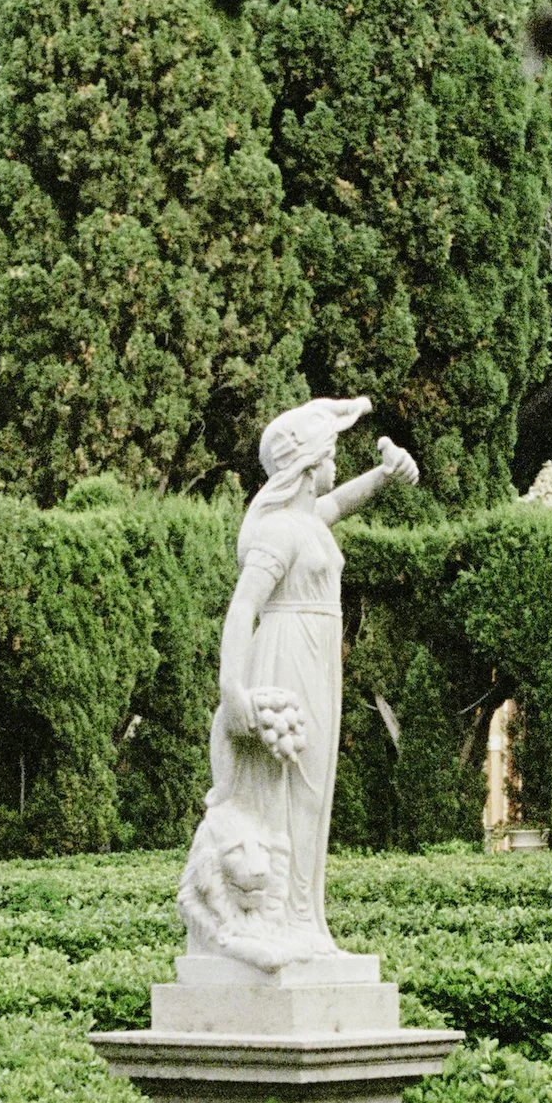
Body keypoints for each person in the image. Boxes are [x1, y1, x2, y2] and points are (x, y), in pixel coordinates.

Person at [194, 396, 419, 962]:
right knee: (289, 794)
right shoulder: (279, 532)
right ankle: (282, 920)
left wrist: (384, 476)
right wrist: (232, 689)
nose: (336, 462)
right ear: (308, 461)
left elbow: (341, 502)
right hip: (287, 654)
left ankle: (307, 920)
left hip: (319, 658)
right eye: (332, 451)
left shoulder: (305, 521)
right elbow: (242, 610)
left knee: (314, 795)